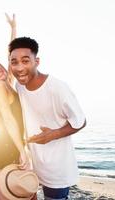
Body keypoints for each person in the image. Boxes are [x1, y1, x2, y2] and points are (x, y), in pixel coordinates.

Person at [9, 36, 86, 200]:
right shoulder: (20, 86)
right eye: (14, 62)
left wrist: (53, 134)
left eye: (25, 61)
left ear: (37, 61)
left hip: (56, 167)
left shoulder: (57, 88)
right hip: (34, 164)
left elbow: (81, 121)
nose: (20, 67)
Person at [0, 58, 31, 200]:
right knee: (14, 196)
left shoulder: (8, 83)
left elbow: (10, 55)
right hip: (1, 153)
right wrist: (23, 150)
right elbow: (8, 120)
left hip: (9, 148)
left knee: (12, 195)